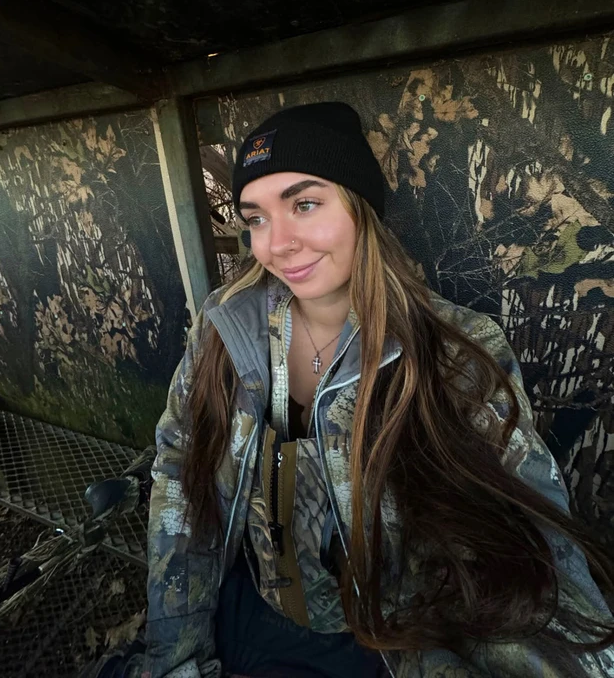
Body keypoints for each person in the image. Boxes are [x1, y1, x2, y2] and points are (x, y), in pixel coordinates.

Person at [142, 102, 614, 678]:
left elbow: (535, 543)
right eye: (256, 218)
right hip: (247, 619)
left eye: (304, 204)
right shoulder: (224, 326)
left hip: (389, 649)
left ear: (359, 207)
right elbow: (179, 478)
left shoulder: (453, 350)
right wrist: (175, 655)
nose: (276, 243)